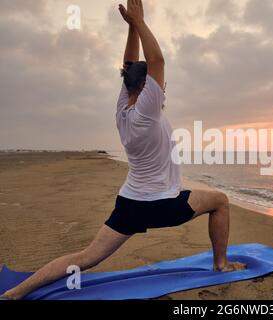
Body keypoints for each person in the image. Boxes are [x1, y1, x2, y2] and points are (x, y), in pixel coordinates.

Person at [0, 0, 245, 301]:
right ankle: (221, 265)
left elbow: (130, 67)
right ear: (146, 88)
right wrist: (140, 21)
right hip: (159, 204)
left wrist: (130, 27)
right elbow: (157, 60)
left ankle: (14, 293)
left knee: (87, 256)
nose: (163, 89)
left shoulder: (123, 107)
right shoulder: (146, 111)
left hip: (130, 202)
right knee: (220, 201)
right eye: (158, 86)